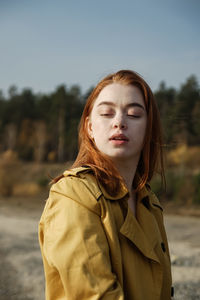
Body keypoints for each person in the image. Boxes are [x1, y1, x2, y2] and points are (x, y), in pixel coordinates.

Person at [39, 70, 173, 300]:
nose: (119, 122)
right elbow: (95, 294)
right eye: (106, 113)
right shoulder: (73, 195)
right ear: (90, 127)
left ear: (149, 128)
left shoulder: (149, 201)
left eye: (133, 114)